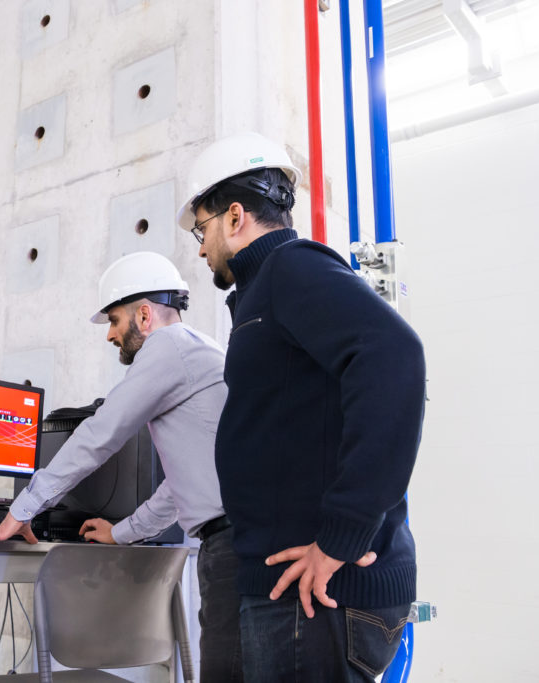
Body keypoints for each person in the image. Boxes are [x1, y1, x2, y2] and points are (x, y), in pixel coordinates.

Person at [177, 131, 426, 682]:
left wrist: (344, 534)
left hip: (317, 595)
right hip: (292, 590)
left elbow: (394, 356)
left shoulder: (292, 269)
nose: (200, 248)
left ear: (235, 216)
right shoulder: (263, 294)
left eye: (202, 229)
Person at [0, 251, 244, 682]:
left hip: (232, 546)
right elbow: (183, 485)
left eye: (114, 320)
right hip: (228, 542)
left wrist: (22, 510)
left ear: (144, 315)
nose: (110, 335)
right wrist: (120, 531)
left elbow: (100, 436)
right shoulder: (199, 352)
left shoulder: (168, 347)